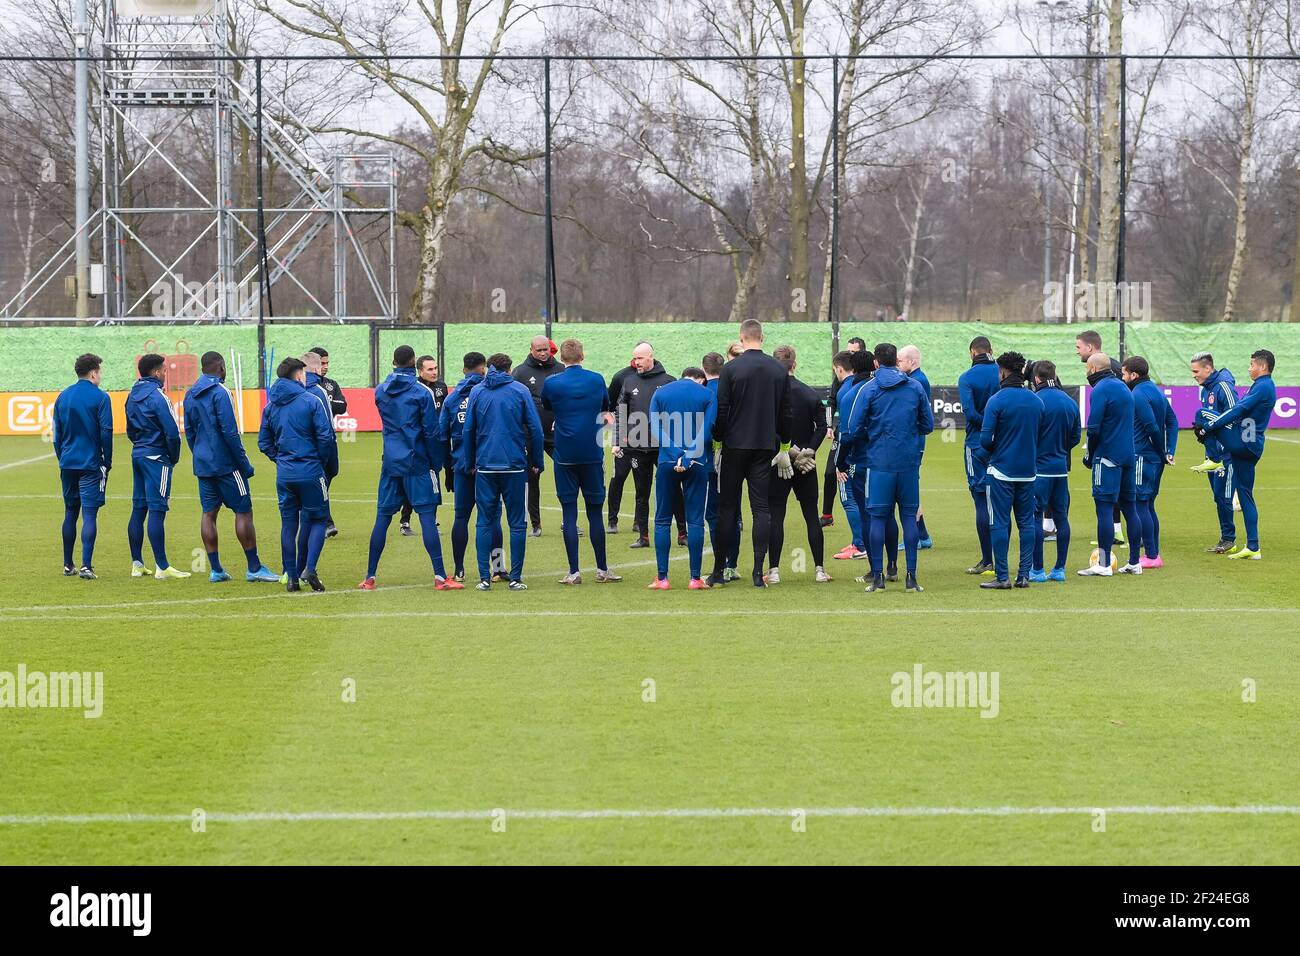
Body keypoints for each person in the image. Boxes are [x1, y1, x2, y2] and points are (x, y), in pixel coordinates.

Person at [358, 346, 462, 592]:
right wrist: (436, 464)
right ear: (413, 363)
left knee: (382, 518)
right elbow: (431, 431)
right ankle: (439, 576)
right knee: (427, 517)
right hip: (417, 462)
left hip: (391, 461)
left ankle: (370, 577)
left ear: (393, 362)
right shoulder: (421, 392)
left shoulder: (381, 391)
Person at [707, 320, 793, 588]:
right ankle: (758, 571)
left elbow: (722, 410)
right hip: (764, 445)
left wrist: (718, 439)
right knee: (761, 509)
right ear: (762, 337)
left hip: (735, 445)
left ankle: (719, 570)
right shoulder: (778, 370)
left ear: (741, 338)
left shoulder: (731, 368)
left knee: (727, 509)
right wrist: (783, 444)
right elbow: (785, 412)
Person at [843, 342, 932, 593]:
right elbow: (927, 425)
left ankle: (879, 577)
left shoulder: (870, 389)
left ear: (875, 362)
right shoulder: (914, 386)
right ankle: (911, 578)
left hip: (878, 463)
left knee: (878, 518)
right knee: (909, 518)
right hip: (908, 463)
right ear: (896, 360)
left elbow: (853, 426)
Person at [183, 351, 278, 583]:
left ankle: (216, 569)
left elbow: (189, 431)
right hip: (227, 464)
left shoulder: (190, 394)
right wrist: (243, 463)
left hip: (204, 464)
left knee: (209, 513)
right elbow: (230, 431)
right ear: (221, 367)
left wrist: (200, 454)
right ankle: (254, 567)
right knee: (243, 511)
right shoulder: (221, 392)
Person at [541, 338, 622, 585]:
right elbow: (605, 406)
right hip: (592, 453)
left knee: (569, 513)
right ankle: (602, 569)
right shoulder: (596, 379)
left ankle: (574, 571)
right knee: (595, 512)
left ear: (561, 358)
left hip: (564, 454)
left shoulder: (552, 382)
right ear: (582, 356)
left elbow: (546, 405)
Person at [462, 353, 545, 590]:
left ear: (489, 368)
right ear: (509, 369)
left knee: (484, 522)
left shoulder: (477, 391)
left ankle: (484, 578)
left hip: (485, 465)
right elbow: (536, 430)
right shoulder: (520, 390)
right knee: (517, 523)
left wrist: (470, 462)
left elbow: (468, 430)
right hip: (515, 465)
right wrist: (537, 461)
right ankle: (516, 578)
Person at [257, 356, 338, 592]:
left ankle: (291, 577)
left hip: (285, 474)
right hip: (311, 470)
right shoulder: (311, 401)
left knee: (288, 524)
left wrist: (280, 459)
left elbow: (264, 442)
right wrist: (318, 461)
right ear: (298, 375)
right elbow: (326, 437)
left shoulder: (271, 405)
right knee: (319, 518)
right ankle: (309, 568)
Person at [1195, 349, 1277, 560]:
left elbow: (1238, 409)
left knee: (1202, 414)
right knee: (1246, 496)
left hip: (1246, 442)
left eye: (1252, 365)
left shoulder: (1264, 386)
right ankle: (1253, 547)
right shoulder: (1261, 386)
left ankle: (1213, 459)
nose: (1249, 368)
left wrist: (1210, 425)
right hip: (1250, 444)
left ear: (1262, 367)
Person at [977, 352, 1043, 590]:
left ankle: (1002, 576)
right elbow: (1040, 435)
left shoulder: (997, 400)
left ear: (1002, 371)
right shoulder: (1036, 401)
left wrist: (998, 449)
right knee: (1026, 522)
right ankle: (1024, 575)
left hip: (1002, 471)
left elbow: (985, 439)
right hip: (1028, 471)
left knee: (999, 522)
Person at [766, 345, 830, 585]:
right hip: (806, 464)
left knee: (776, 515)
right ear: (795, 364)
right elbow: (823, 426)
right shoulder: (809, 393)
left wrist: (788, 449)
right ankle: (819, 570)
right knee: (811, 516)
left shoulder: (770, 396)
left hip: (779, 462)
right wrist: (809, 451)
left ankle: (773, 571)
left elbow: (768, 426)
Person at [646, 367, 716, 589]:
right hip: (697, 462)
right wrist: (688, 455)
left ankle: (662, 578)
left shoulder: (661, 392)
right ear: (701, 379)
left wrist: (675, 453)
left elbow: (655, 427)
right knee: (695, 520)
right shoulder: (707, 395)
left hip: (667, 461)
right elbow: (707, 429)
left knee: (662, 519)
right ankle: (695, 578)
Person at [610, 342, 682, 549]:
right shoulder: (629, 381)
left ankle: (682, 533)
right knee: (642, 493)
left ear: (650, 357)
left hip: (663, 448)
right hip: (637, 448)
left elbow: (676, 414)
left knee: (674, 489)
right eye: (634, 358)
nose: (636, 362)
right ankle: (643, 537)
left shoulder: (668, 381)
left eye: (639, 358)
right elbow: (620, 412)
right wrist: (617, 440)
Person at [439, 352, 503, 582]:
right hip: (488, 464)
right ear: (483, 369)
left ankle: (459, 569)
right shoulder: (489, 394)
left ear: (463, 369)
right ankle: (497, 569)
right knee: (493, 517)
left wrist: (448, 468)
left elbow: (442, 436)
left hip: (461, 465)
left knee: (461, 517)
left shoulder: (452, 398)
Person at [125, 353, 189, 580]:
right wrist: (172, 458)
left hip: (138, 454)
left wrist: (141, 444)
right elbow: (172, 432)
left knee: (138, 508)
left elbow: (130, 429)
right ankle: (162, 566)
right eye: (163, 370)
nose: (165, 374)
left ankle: (137, 564)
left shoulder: (132, 396)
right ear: (155, 372)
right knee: (157, 509)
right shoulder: (159, 397)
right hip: (157, 457)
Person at [1079, 352, 1142, 577]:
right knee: (1130, 508)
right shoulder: (1124, 387)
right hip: (1128, 456)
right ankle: (1135, 561)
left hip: (1107, 457)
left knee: (1104, 509)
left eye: (1087, 368)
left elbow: (1093, 427)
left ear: (1094, 369)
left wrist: (1090, 454)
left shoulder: (1100, 390)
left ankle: (1103, 564)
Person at [52, 353, 113, 579]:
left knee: (70, 511)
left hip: (68, 462)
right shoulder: (101, 398)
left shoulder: (63, 396)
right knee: (89, 514)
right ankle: (87, 566)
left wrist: (62, 457)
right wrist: (107, 461)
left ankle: (68, 564)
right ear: (93, 372)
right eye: (100, 371)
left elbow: (56, 435)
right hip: (90, 463)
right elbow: (106, 432)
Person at [1122, 356, 1178, 568]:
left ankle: (1152, 556)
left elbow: (1152, 427)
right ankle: (1153, 552)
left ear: (1134, 375)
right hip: (1155, 457)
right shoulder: (1155, 390)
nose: (1123, 377)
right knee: (1148, 504)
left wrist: (1162, 451)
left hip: (1143, 456)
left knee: (1139, 504)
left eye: (1124, 374)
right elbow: (1172, 421)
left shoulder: (1137, 394)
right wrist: (1169, 450)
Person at [1028, 361, 1080, 583]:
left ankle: (1037, 570)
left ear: (1036, 379)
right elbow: (1076, 437)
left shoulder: (1036, 401)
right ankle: (1059, 569)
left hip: (1039, 470)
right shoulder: (1069, 401)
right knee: (1061, 518)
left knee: (1035, 518)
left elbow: (1029, 434)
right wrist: (1060, 449)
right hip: (1060, 470)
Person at [1076, 330, 1126, 546]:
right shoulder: (1107, 375)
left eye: (1078, 347)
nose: (1077, 351)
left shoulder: (1108, 375)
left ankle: (1105, 558)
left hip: (1110, 449)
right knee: (1125, 498)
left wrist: (1091, 451)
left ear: (1090, 348)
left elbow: (1096, 425)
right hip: (1122, 446)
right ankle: (1130, 550)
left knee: (1107, 499)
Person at [514, 335, 565, 537]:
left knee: (565, 475)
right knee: (532, 478)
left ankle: (568, 521)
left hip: (556, 434)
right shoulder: (520, 372)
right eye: (539, 350)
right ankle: (535, 524)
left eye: (546, 349)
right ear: (531, 349)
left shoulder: (561, 370)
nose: (544, 353)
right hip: (530, 435)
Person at [958, 336, 1000, 575]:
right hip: (1003, 444)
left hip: (976, 445)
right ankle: (1002, 561)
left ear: (972, 352)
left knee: (981, 500)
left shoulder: (967, 378)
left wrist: (987, 426)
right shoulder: (1001, 373)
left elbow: (970, 412)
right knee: (1002, 502)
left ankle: (987, 560)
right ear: (990, 351)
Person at [1188, 352, 1238, 552]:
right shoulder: (1205, 390)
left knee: (1224, 497)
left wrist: (1207, 426)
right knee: (1218, 496)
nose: (1194, 375)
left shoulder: (1224, 387)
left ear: (1208, 369)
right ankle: (1225, 538)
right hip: (1214, 453)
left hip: (1228, 454)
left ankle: (1229, 540)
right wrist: (1202, 431)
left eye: (1196, 371)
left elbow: (1235, 416)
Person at [701, 350, 741, 579]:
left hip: (711, 459)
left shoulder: (704, 393)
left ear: (703, 368)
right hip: (735, 455)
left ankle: (721, 564)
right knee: (733, 512)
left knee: (715, 514)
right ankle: (731, 565)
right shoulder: (734, 391)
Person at [400, 354, 449, 536]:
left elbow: (445, 412)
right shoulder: (414, 388)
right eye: (430, 369)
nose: (434, 372)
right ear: (420, 371)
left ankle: (432, 521)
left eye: (435, 368)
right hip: (417, 443)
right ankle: (405, 520)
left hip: (435, 442)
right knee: (411, 481)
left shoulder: (441, 387)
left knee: (434, 482)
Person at [832, 349, 871, 562]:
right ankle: (860, 541)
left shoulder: (846, 392)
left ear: (840, 369)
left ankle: (860, 544)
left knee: (848, 498)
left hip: (854, 456)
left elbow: (846, 432)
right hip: (871, 454)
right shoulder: (866, 386)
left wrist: (841, 463)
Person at [896, 344, 934, 549]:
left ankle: (918, 537)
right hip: (914, 442)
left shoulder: (916, 382)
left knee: (909, 491)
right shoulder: (916, 379)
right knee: (910, 490)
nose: (897, 364)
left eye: (900, 360)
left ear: (913, 361)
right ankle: (923, 535)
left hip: (913, 443)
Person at [301, 351, 340, 539]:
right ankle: (325, 522)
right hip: (317, 450)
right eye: (322, 363)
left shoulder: (287, 389)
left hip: (294, 453)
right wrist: (326, 456)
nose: (325, 366)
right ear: (316, 366)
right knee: (320, 484)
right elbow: (326, 431)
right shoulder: (319, 392)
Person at [604, 348, 641, 534]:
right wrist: (616, 431)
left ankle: (638, 521)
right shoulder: (621, 376)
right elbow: (609, 406)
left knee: (641, 480)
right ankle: (612, 520)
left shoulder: (658, 376)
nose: (638, 361)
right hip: (623, 437)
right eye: (636, 357)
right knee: (618, 477)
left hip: (645, 438)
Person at [309, 346, 348, 418]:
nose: (326, 367)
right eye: (322, 363)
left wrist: (318, 403)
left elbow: (342, 407)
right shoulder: (301, 383)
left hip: (327, 428)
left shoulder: (332, 384)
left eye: (327, 363)